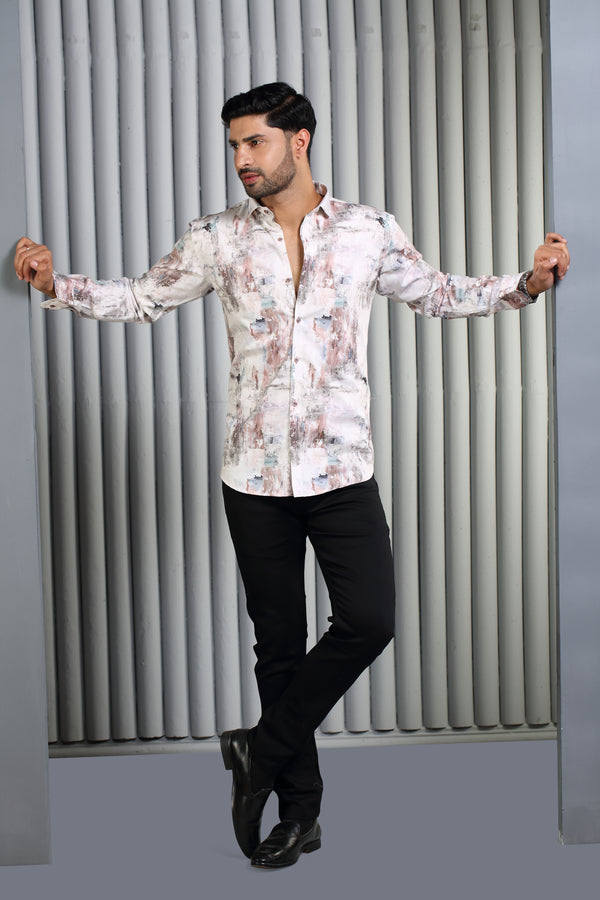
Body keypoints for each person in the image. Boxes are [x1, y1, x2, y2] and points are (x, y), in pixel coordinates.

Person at [14, 82, 569, 870]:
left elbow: (438, 293)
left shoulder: (368, 231)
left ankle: (260, 749)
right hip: (253, 478)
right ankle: (299, 816)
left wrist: (528, 283)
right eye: (235, 146)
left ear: (299, 140)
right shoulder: (216, 238)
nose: (242, 159)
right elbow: (140, 299)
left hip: (342, 469)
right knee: (277, 646)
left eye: (255, 142)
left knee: (369, 620)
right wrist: (54, 285)